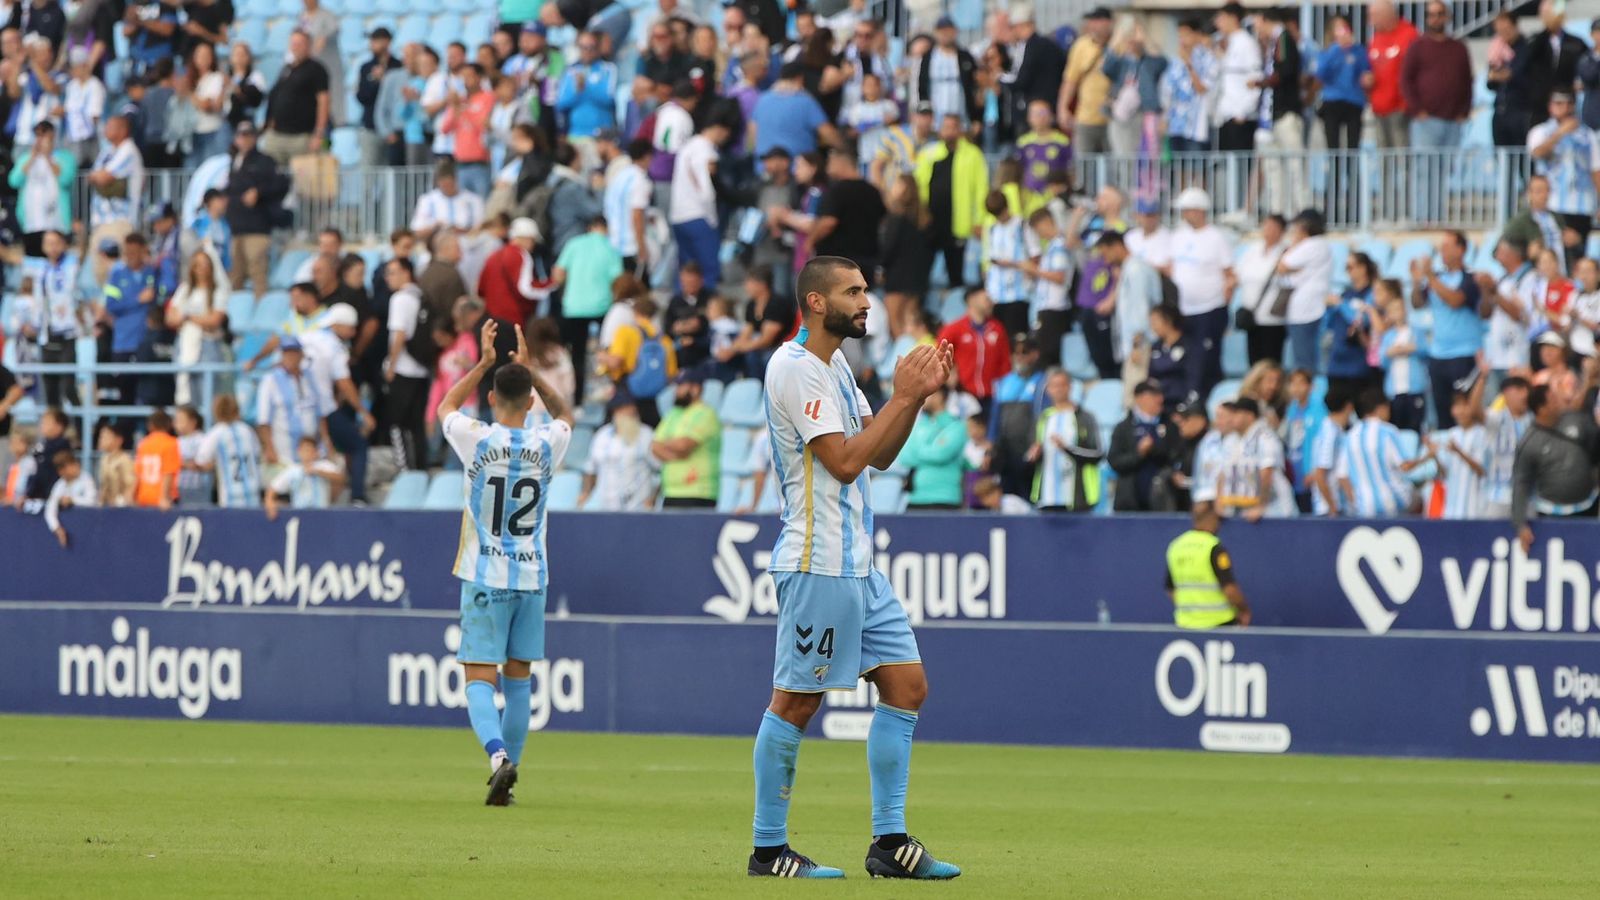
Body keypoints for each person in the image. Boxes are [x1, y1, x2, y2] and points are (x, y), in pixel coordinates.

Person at [747, 255, 959, 880]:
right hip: (818, 562)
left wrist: (913, 401)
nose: (867, 301)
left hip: (857, 564)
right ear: (816, 302)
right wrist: (901, 394)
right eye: (853, 291)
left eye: (865, 289)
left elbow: (880, 454)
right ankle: (767, 850)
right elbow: (841, 462)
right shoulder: (795, 368)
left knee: (907, 686)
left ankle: (890, 845)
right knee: (795, 702)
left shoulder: (836, 363)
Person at [437, 319, 572, 805]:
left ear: (491, 399)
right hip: (531, 576)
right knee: (519, 680)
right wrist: (531, 371)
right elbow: (567, 414)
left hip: (483, 573)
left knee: (478, 676)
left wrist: (485, 362)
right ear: (531, 400)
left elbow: (446, 406)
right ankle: (510, 778)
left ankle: (498, 758)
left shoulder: (475, 438)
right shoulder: (545, 442)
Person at [1409, 231, 1484, 428]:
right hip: (1439, 355)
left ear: (1461, 249)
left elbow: (1455, 300)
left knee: (1466, 413)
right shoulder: (1437, 278)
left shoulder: (1471, 279)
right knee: (1443, 414)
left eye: (1447, 246)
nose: (1442, 250)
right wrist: (1417, 282)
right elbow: (1417, 303)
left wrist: (1430, 277)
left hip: (1464, 354)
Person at [1513, 383, 1600, 553]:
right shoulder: (1529, 441)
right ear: (1541, 409)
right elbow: (1521, 483)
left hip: (1588, 506)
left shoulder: (1576, 420)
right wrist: (1520, 523)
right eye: (1552, 400)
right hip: (1550, 512)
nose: (1559, 401)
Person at [1169, 188, 1234, 386]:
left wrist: (1223, 307)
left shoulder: (1216, 237)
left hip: (1210, 308)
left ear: (1199, 210)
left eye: (1187, 210)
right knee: (1187, 358)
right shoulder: (1178, 236)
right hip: (1184, 309)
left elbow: (1230, 276)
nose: (1184, 215)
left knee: (1207, 359)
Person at [1527, 91, 1600, 267]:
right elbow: (1538, 152)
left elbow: (1595, 170)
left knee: (1578, 255)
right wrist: (1560, 133)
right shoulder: (1541, 131)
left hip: (1582, 206)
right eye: (1559, 104)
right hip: (1553, 204)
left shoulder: (1588, 136)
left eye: (1568, 104)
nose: (1564, 109)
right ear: (1550, 106)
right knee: (1554, 253)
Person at [915, 114, 988, 288]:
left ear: (960, 130)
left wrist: (979, 220)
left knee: (956, 273)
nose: (949, 131)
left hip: (958, 223)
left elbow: (981, 189)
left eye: (953, 127)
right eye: (945, 127)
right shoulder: (929, 153)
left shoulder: (973, 154)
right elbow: (918, 184)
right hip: (930, 222)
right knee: (921, 271)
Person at [1163, 503, 1251, 629]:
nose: (1219, 524)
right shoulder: (1213, 547)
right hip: (1219, 624)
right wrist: (1243, 610)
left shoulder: (1176, 546)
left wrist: (1191, 610)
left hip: (1185, 625)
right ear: (1211, 518)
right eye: (1217, 519)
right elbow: (1230, 589)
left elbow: (1171, 589)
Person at [1336, 386, 1420, 517]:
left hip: (1363, 508)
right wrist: (1428, 456)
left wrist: (1355, 501)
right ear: (1382, 408)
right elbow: (1405, 466)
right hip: (1395, 503)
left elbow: (1342, 476)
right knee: (1420, 499)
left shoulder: (1350, 436)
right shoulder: (1388, 431)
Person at [1401, 1, 1472, 153]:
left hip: (1453, 120)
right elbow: (1406, 80)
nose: (1436, 19)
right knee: (1425, 170)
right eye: (1431, 15)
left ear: (1447, 17)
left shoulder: (1459, 48)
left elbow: (1467, 81)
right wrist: (1417, 110)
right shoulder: (1417, 46)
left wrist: (1464, 111)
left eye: (1440, 14)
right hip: (1426, 121)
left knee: (1447, 169)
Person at [383, 258, 434, 470]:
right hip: (421, 368)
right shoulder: (419, 296)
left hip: (403, 368)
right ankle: (419, 468)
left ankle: (404, 469)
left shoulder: (400, 298)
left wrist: (391, 366)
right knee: (416, 425)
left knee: (396, 423)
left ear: (406, 272)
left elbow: (400, 334)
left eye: (392, 273)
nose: (388, 278)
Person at [811, 148, 886, 289]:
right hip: (868, 260)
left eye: (831, 162)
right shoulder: (873, 191)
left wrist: (811, 240)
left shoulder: (837, 191)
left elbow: (828, 222)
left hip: (839, 263)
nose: (828, 166)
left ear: (841, 163)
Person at [1029, 368, 1102, 512]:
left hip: (1079, 497)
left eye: (1062, 385)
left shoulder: (1085, 417)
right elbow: (1033, 452)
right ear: (1048, 389)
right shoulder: (1043, 418)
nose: (1058, 389)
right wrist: (1035, 454)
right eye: (1054, 386)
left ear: (1070, 387)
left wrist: (1067, 449)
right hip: (1047, 496)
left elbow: (1097, 454)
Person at [669, 117, 729, 290]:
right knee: (708, 269)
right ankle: (708, 307)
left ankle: (681, 307)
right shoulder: (706, 150)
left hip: (679, 214)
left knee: (686, 269)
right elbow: (706, 185)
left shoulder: (687, 147)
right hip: (699, 215)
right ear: (719, 128)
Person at [650, 369, 720, 508]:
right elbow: (654, 446)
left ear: (695, 388)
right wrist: (677, 453)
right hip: (671, 491)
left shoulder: (706, 414)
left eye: (681, 386)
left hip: (699, 492)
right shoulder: (673, 413)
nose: (676, 391)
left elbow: (684, 445)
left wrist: (667, 444)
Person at [261, 30, 330, 166]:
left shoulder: (317, 69)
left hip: (302, 137)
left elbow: (324, 101)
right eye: (293, 43)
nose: (296, 47)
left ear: (308, 45)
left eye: (300, 43)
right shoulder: (286, 69)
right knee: (273, 180)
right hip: (277, 135)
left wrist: (319, 134)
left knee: (304, 182)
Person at [1277, 210, 1334, 373]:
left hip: (1306, 310)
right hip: (1306, 308)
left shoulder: (1313, 244)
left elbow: (1283, 265)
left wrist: (1295, 243)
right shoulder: (1318, 245)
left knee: (1305, 363)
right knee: (1305, 360)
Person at [8, 122, 77, 256]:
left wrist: (48, 157)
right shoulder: (25, 158)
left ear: (53, 136)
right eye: (37, 135)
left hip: (57, 224)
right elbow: (13, 182)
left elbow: (66, 180)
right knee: (34, 266)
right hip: (31, 224)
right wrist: (32, 158)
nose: (40, 139)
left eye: (44, 134)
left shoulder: (65, 157)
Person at [578, 395, 658, 511]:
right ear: (615, 412)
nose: (629, 413)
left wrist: (653, 498)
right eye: (623, 409)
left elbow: (659, 470)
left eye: (632, 410)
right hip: (605, 506)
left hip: (638, 507)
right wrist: (586, 493)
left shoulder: (646, 434)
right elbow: (590, 468)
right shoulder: (602, 435)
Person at [938, 288, 1010, 409]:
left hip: (992, 395)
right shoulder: (955, 328)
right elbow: (939, 352)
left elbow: (1005, 361)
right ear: (971, 300)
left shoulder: (997, 328)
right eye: (986, 299)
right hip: (964, 394)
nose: (990, 302)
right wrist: (950, 372)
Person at [896, 386, 966, 509]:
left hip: (945, 499)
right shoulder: (919, 425)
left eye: (926, 394)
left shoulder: (957, 427)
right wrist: (931, 449)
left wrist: (917, 451)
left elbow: (941, 454)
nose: (922, 399)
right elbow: (904, 456)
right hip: (915, 499)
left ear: (939, 397)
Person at [1234, 213, 1290, 366]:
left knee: (1271, 361)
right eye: (1266, 226)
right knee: (1254, 361)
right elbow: (1238, 275)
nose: (1268, 231)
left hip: (1273, 317)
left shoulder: (1286, 252)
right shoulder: (1253, 250)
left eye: (1273, 227)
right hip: (1252, 316)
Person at [1057, 7, 1112, 155]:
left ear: (1108, 22)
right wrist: (1063, 108)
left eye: (1096, 21)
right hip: (1086, 118)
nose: (1092, 25)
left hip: (1114, 118)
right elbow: (1070, 80)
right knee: (1085, 166)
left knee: (1115, 169)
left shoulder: (1117, 44)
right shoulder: (1081, 45)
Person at [1160, 18, 1218, 154]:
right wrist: (1164, 118)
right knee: (1179, 169)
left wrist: (1189, 65)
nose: (1182, 40)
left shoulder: (1208, 58)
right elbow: (1168, 92)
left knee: (1198, 169)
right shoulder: (1175, 61)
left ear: (1197, 34)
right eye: (1179, 36)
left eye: (1186, 35)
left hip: (1197, 126)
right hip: (1176, 125)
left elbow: (1201, 88)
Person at [195, 392, 262, 509]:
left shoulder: (216, 433)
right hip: (253, 490)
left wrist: (214, 463)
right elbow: (257, 454)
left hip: (230, 494)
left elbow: (201, 461)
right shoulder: (247, 430)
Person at [1479, 374, 1532, 519]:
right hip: (1498, 495)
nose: (1524, 394)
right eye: (1519, 390)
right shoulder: (1497, 418)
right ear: (1507, 393)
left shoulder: (1533, 420)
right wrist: (1482, 378)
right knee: (1489, 538)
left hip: (1528, 497)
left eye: (1525, 390)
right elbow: (1475, 413)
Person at [1211, 2, 1261, 158]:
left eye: (1222, 18)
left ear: (1233, 18)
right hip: (1226, 114)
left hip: (1240, 116)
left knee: (1239, 167)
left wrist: (1243, 112)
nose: (1218, 22)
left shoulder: (1247, 43)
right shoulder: (1228, 43)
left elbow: (1256, 78)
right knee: (1226, 167)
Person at [1367, 0, 1416, 149]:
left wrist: (1406, 102)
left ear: (1387, 14)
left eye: (1373, 16)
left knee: (1402, 153)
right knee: (1383, 156)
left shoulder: (1409, 34)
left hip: (1400, 107)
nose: (1370, 21)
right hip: (1379, 107)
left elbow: (1414, 71)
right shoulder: (1376, 39)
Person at [264, 434, 345, 519]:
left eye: (310, 450)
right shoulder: (293, 470)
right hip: (300, 514)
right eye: (304, 450)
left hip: (322, 514)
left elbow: (341, 478)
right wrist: (269, 502)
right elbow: (273, 487)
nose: (307, 453)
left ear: (316, 452)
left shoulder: (324, 465)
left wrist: (318, 472)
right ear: (299, 451)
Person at [1147, 303, 1207, 414]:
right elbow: (1151, 376)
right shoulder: (1156, 346)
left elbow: (1194, 377)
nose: (1152, 327)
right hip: (1160, 403)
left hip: (1182, 403)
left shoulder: (1190, 346)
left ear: (1168, 320)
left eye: (1155, 322)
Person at [1306, 387, 1354, 516]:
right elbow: (1319, 473)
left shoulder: (1331, 429)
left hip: (1334, 506)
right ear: (1349, 406)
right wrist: (1332, 507)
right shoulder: (1330, 433)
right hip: (1330, 509)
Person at [44, 449, 96, 549]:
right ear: (61, 471)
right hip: (71, 535)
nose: (74, 468)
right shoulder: (59, 485)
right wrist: (56, 528)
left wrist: (72, 500)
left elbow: (92, 501)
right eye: (68, 466)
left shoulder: (86, 480)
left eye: (73, 464)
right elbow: (50, 508)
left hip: (88, 530)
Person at [132, 407, 180, 510]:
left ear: (150, 426)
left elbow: (137, 474)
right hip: (162, 500)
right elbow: (168, 472)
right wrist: (163, 497)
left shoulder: (143, 444)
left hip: (143, 497)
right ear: (169, 425)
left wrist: (132, 495)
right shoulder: (171, 444)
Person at [96, 422, 135, 507]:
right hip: (107, 505)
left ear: (118, 440)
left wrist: (121, 502)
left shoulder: (125, 460)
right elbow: (104, 485)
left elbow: (130, 486)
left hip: (121, 507)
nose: (101, 440)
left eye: (105, 437)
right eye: (101, 437)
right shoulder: (104, 459)